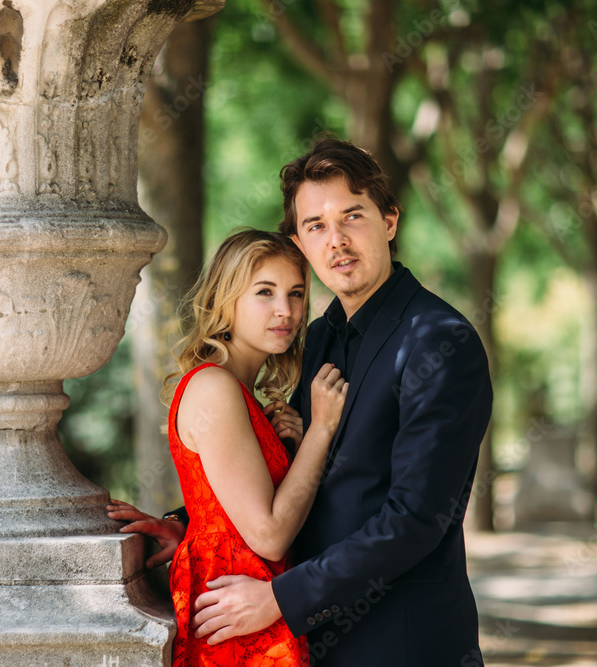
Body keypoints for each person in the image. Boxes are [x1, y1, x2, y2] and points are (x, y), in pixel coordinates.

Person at [110, 137, 493, 666]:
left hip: (400, 644)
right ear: (300, 243)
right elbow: (284, 472)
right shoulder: (319, 338)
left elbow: (416, 520)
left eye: (352, 216)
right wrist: (199, 525)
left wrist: (281, 599)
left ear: (389, 221)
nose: (337, 241)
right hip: (310, 645)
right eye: (316, 226)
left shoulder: (440, 342)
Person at [114, 228, 349, 666]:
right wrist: (322, 430)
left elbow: (230, 510)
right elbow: (270, 536)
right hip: (234, 619)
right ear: (225, 301)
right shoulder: (214, 388)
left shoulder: (243, 394)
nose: (286, 310)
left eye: (296, 294)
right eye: (265, 292)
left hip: (252, 608)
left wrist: (294, 446)